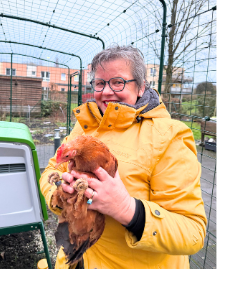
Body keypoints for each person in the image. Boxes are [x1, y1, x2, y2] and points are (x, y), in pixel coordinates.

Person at [39, 45, 206, 268]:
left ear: (140, 87)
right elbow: (51, 171)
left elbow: (192, 233)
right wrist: (59, 193)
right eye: (100, 83)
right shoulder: (84, 126)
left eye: (118, 82)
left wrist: (127, 209)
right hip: (75, 258)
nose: (107, 91)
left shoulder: (169, 136)